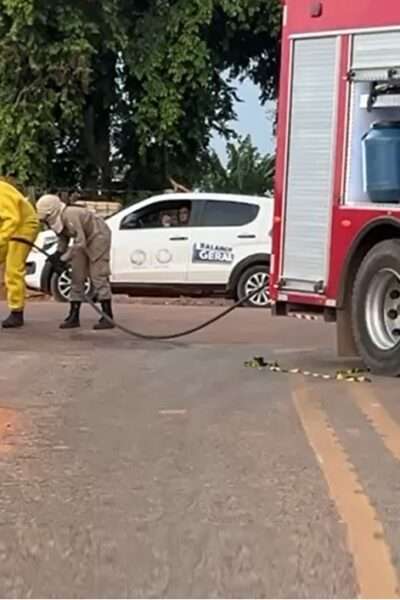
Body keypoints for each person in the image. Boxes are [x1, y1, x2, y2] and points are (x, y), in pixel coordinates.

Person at [36, 194, 114, 330]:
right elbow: (63, 238)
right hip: (82, 241)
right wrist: (58, 254)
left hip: (98, 237)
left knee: (98, 275)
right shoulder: (58, 220)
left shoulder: (70, 215)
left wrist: (63, 258)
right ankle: (74, 316)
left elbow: (80, 242)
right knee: (77, 276)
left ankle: (107, 316)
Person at [0, 178, 39, 328]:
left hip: (24, 226)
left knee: (13, 267)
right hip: (9, 227)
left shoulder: (1, 191)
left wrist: (1, 239)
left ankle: (17, 312)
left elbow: (13, 218)